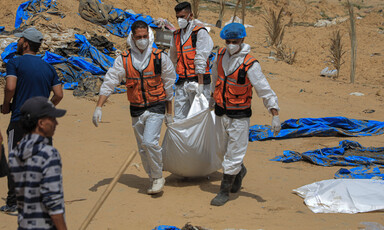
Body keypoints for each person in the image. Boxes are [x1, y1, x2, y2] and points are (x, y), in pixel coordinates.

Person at [92, 20, 176, 195]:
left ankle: (159, 176)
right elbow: (111, 80)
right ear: (132, 37)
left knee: (149, 142)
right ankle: (152, 177)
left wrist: (170, 112)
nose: (142, 40)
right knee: (142, 147)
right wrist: (99, 107)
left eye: (145, 36)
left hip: (156, 105)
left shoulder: (160, 57)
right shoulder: (124, 59)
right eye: (139, 37)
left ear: (149, 35)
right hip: (136, 107)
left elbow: (169, 85)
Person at [210, 23, 281, 206]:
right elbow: (214, 79)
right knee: (220, 151)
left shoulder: (250, 64)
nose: (231, 44)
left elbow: (263, 89)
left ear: (242, 40)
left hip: (239, 116)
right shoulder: (220, 56)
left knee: (234, 153)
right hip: (220, 112)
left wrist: (274, 114)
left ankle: (224, 191)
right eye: (228, 41)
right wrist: (211, 97)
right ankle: (239, 171)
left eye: (235, 41)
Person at [0, 27, 63, 215]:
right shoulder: (49, 67)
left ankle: (13, 203)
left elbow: (10, 87)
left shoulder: (15, 62)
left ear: (25, 43)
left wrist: (5, 105)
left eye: (20, 40)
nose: (18, 42)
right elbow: (59, 94)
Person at [8, 96, 67, 230]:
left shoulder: (15, 154)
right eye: (52, 119)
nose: (56, 123)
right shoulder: (48, 154)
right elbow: (54, 204)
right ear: (40, 123)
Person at [169, 1, 214, 120]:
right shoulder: (176, 35)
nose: (180, 20)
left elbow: (201, 58)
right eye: (177, 17)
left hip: (198, 81)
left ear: (190, 15)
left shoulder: (199, 32)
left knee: (199, 117)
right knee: (179, 117)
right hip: (182, 81)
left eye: (182, 17)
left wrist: (200, 84)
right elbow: (172, 58)